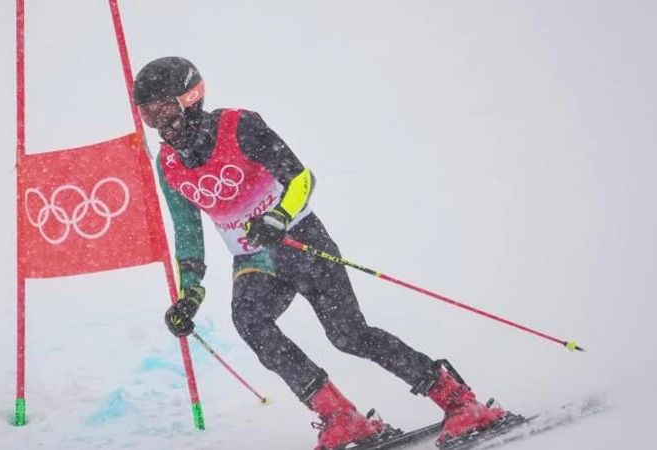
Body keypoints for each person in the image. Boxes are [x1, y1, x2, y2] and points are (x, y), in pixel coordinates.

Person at [133, 56, 506, 450]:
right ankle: (340, 417)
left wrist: (279, 216)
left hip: (301, 242)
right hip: (255, 260)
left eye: (164, 110)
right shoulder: (169, 164)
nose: (160, 125)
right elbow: (188, 232)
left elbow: (301, 177)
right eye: (148, 115)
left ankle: (458, 400)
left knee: (348, 335)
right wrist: (189, 294)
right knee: (250, 322)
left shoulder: (238, 126)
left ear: (190, 99)